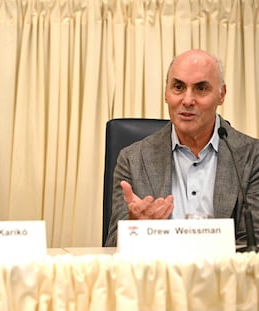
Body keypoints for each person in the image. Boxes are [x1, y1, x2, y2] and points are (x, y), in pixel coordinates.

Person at [105, 49, 259, 247]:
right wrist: (135, 230)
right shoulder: (133, 159)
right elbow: (112, 246)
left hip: (224, 277)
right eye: (178, 87)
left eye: (201, 89)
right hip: (158, 275)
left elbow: (254, 245)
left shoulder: (252, 157)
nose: (187, 100)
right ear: (166, 93)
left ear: (221, 94)